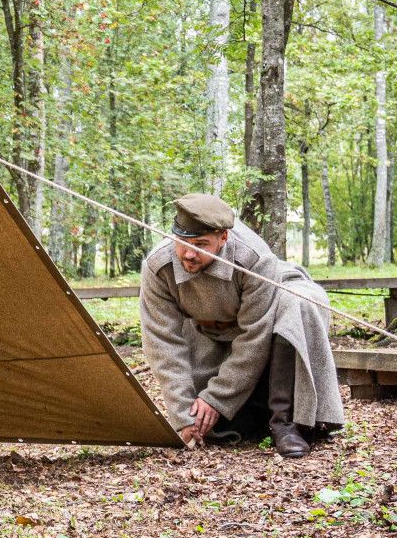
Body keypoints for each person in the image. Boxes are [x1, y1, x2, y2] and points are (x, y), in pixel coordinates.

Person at [138, 193, 344, 458]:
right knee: (218, 425)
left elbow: (255, 338)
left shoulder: (254, 258)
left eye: (201, 244)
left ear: (223, 238)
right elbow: (162, 343)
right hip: (213, 334)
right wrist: (184, 415)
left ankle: (287, 423)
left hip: (278, 300)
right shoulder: (158, 267)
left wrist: (216, 398)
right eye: (182, 242)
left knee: (297, 304)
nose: (188, 254)